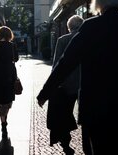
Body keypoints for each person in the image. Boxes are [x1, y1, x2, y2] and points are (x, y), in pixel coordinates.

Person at [37, 0, 118, 154]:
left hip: (96, 108)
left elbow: (66, 62)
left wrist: (46, 92)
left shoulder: (90, 27)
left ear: (99, 4)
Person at [47, 15, 84, 155]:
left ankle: (66, 142)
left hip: (67, 84)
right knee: (85, 112)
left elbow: (57, 64)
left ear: (69, 27)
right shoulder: (87, 38)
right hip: (84, 82)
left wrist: (53, 84)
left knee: (65, 113)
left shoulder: (62, 40)